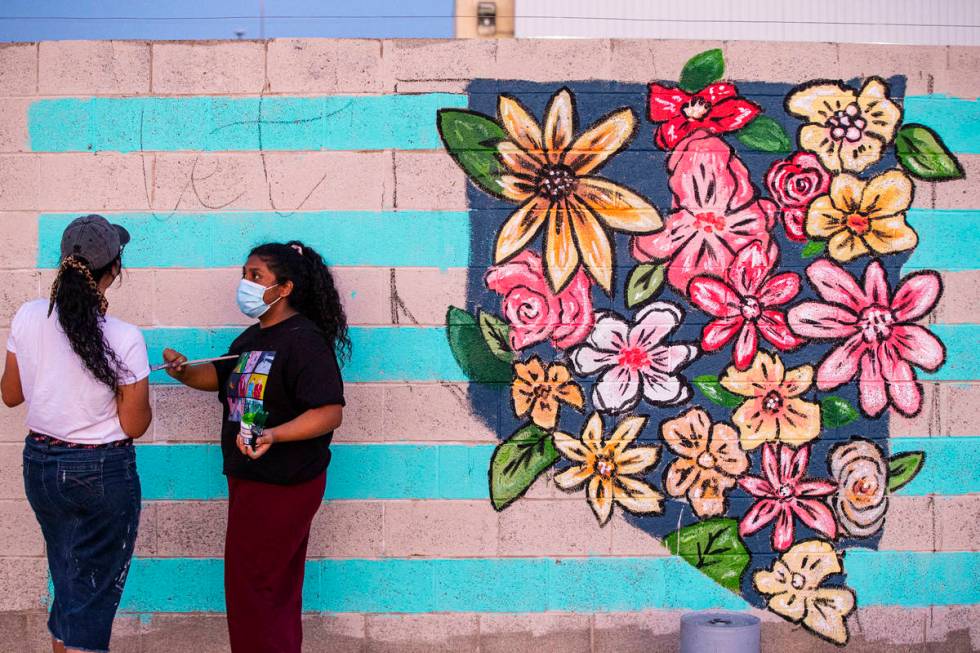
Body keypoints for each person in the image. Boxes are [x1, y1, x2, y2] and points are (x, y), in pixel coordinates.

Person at [161, 241, 348, 653]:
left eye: (255, 277)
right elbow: (221, 379)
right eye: (244, 274)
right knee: (257, 591)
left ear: (284, 288)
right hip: (249, 481)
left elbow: (329, 411)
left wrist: (275, 435)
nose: (245, 284)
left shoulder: (304, 341)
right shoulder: (251, 338)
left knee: (259, 591)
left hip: (283, 485)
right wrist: (184, 371)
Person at [1, 215, 151, 653]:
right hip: (100, 473)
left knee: (68, 581)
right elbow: (133, 424)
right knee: (91, 595)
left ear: (64, 262)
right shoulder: (124, 337)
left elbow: (10, 395)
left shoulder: (28, 316)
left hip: (42, 467)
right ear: (115, 270)